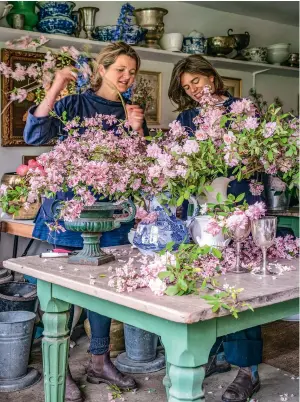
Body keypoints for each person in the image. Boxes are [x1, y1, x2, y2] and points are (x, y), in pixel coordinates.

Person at [23, 42, 147, 402]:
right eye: (120, 69)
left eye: (132, 72)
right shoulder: (75, 103)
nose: (127, 77)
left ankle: (98, 360)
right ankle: (57, 368)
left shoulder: (131, 109)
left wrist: (137, 131)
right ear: (102, 69)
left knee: (103, 291)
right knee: (61, 293)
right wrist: (57, 85)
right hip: (68, 212)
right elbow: (35, 135)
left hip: (110, 215)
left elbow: (141, 167)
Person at [168, 54, 262, 402]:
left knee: (242, 285)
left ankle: (247, 370)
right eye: (187, 87)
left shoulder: (242, 109)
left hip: (239, 206)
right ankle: (215, 354)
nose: (194, 90)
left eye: (197, 82)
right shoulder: (188, 118)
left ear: (212, 76)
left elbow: (259, 159)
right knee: (206, 279)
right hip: (201, 210)